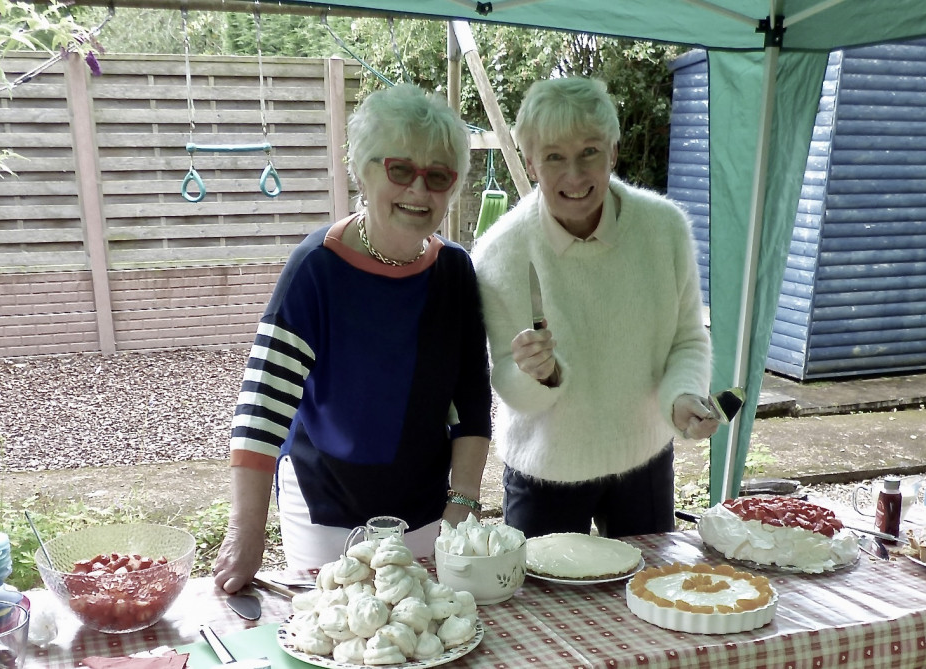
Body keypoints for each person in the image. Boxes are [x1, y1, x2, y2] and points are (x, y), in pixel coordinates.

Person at [213, 83, 492, 594]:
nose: (418, 191)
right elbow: (262, 410)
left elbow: (471, 402)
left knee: (424, 631)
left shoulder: (455, 272)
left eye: (437, 176)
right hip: (326, 506)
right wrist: (246, 530)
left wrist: (464, 504)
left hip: (428, 509)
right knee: (341, 634)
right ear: (364, 170)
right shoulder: (316, 267)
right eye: (400, 170)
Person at [470, 76, 718, 539]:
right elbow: (505, 381)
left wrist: (684, 397)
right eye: (554, 157)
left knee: (649, 600)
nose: (575, 176)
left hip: (643, 455)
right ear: (531, 163)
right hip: (545, 468)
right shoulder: (497, 254)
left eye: (589, 152)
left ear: (614, 152)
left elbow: (687, 338)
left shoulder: (664, 229)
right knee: (542, 610)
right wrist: (540, 375)